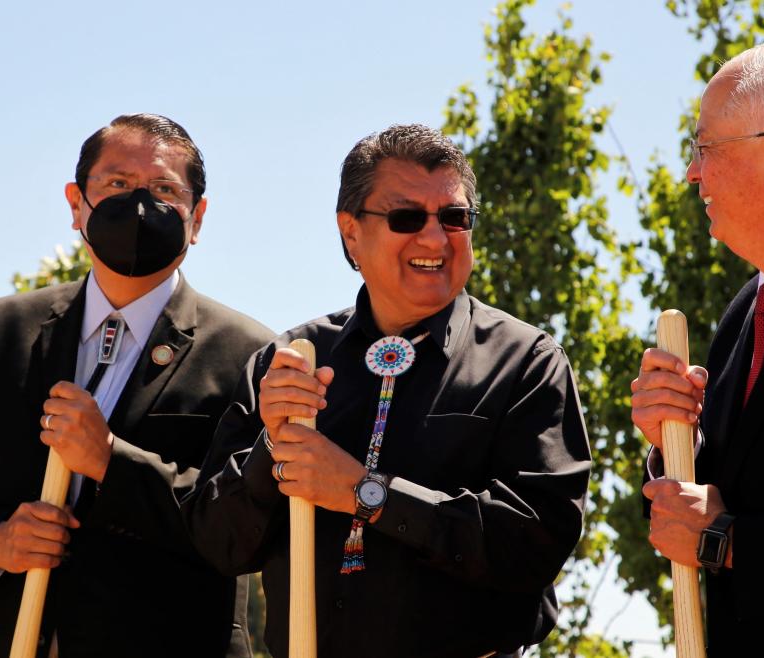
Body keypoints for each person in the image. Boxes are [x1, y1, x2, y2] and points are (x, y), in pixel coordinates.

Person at [183, 124, 591, 657]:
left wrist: (364, 491)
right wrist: (272, 449)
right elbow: (218, 543)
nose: (434, 238)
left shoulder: (526, 362)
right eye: (405, 218)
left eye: (454, 217)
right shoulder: (287, 361)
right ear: (350, 232)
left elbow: (536, 542)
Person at [0, 114, 273, 657]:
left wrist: (110, 462)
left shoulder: (247, 353)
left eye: (165, 189)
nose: (140, 204)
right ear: (77, 203)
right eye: (116, 185)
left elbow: (241, 527)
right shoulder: (0, 330)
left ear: (198, 217)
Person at [631, 40, 764, 656]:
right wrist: (676, 447)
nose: (692, 173)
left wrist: (727, 539)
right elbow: (733, 491)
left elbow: (724, 527)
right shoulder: (748, 311)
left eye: (703, 149)